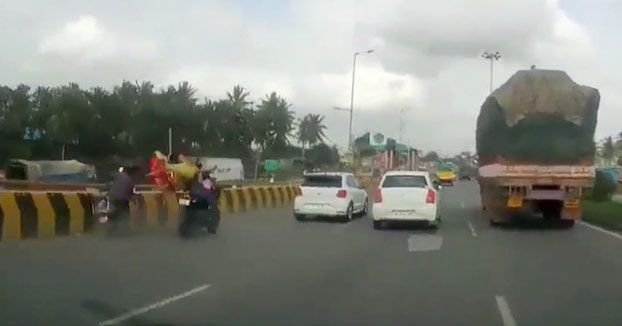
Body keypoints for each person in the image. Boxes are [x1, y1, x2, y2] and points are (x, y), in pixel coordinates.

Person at [108, 165, 139, 235]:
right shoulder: (130, 180)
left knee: (114, 214)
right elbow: (131, 192)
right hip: (123, 199)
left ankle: (111, 230)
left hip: (113, 198)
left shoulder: (118, 175)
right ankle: (126, 229)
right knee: (125, 213)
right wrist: (133, 200)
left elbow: (110, 183)